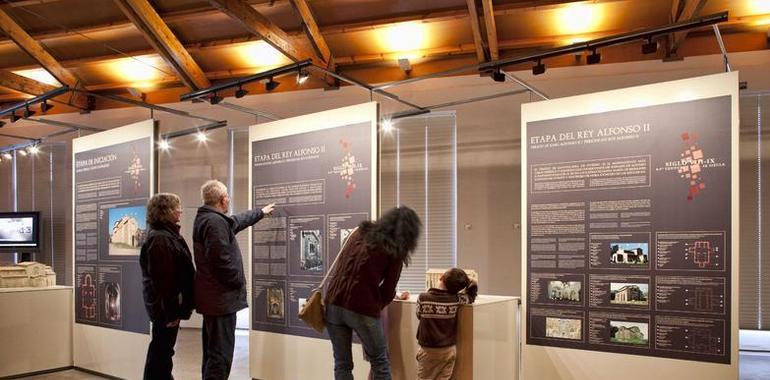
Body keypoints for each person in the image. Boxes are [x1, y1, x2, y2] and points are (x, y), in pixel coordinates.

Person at [324, 206, 422, 380]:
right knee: (380, 362)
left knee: (342, 363)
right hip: (361, 308)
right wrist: (375, 304)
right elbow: (388, 289)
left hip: (333, 302)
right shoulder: (394, 249)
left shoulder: (358, 233)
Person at [193, 180, 275, 380]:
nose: (229, 198)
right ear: (223, 200)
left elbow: (236, 222)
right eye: (227, 195)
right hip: (220, 302)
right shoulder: (214, 222)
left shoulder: (210, 219)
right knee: (220, 357)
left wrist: (260, 212)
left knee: (214, 354)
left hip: (215, 300)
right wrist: (238, 280)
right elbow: (221, 261)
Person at [140, 193, 195, 380]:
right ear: (166, 212)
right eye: (176, 207)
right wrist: (171, 312)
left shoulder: (166, 235)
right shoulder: (160, 239)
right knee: (161, 352)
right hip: (165, 309)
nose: (180, 210)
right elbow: (163, 281)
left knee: (163, 351)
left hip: (167, 307)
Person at [415, 268, 478, 380]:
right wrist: (472, 282)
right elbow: (471, 297)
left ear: (441, 277)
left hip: (428, 351)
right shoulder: (456, 299)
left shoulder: (423, 298)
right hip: (449, 351)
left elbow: (419, 315)